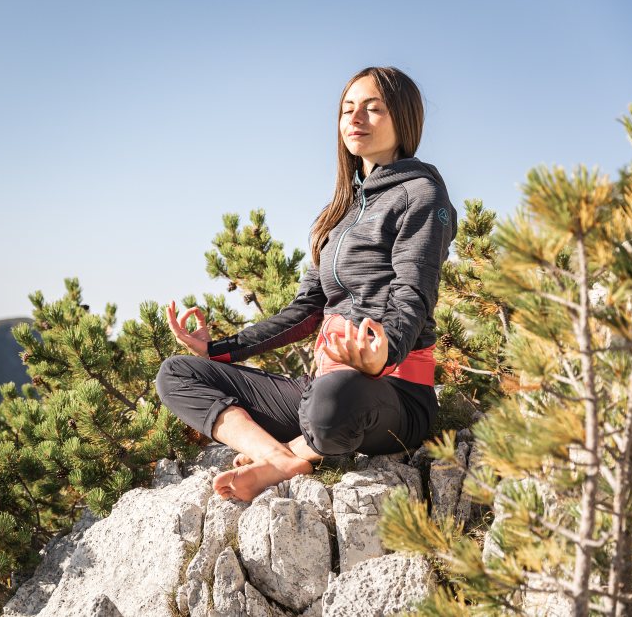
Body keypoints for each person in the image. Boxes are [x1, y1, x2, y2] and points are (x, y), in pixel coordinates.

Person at [155, 66, 458, 502]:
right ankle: (278, 456)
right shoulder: (338, 213)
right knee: (176, 374)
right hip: (323, 385)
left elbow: (414, 292)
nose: (356, 119)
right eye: (347, 109)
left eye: (373, 109)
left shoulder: (421, 194)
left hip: (392, 392)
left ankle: (297, 448)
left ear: (404, 120)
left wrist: (383, 353)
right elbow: (306, 311)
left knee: (333, 400)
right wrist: (219, 349)